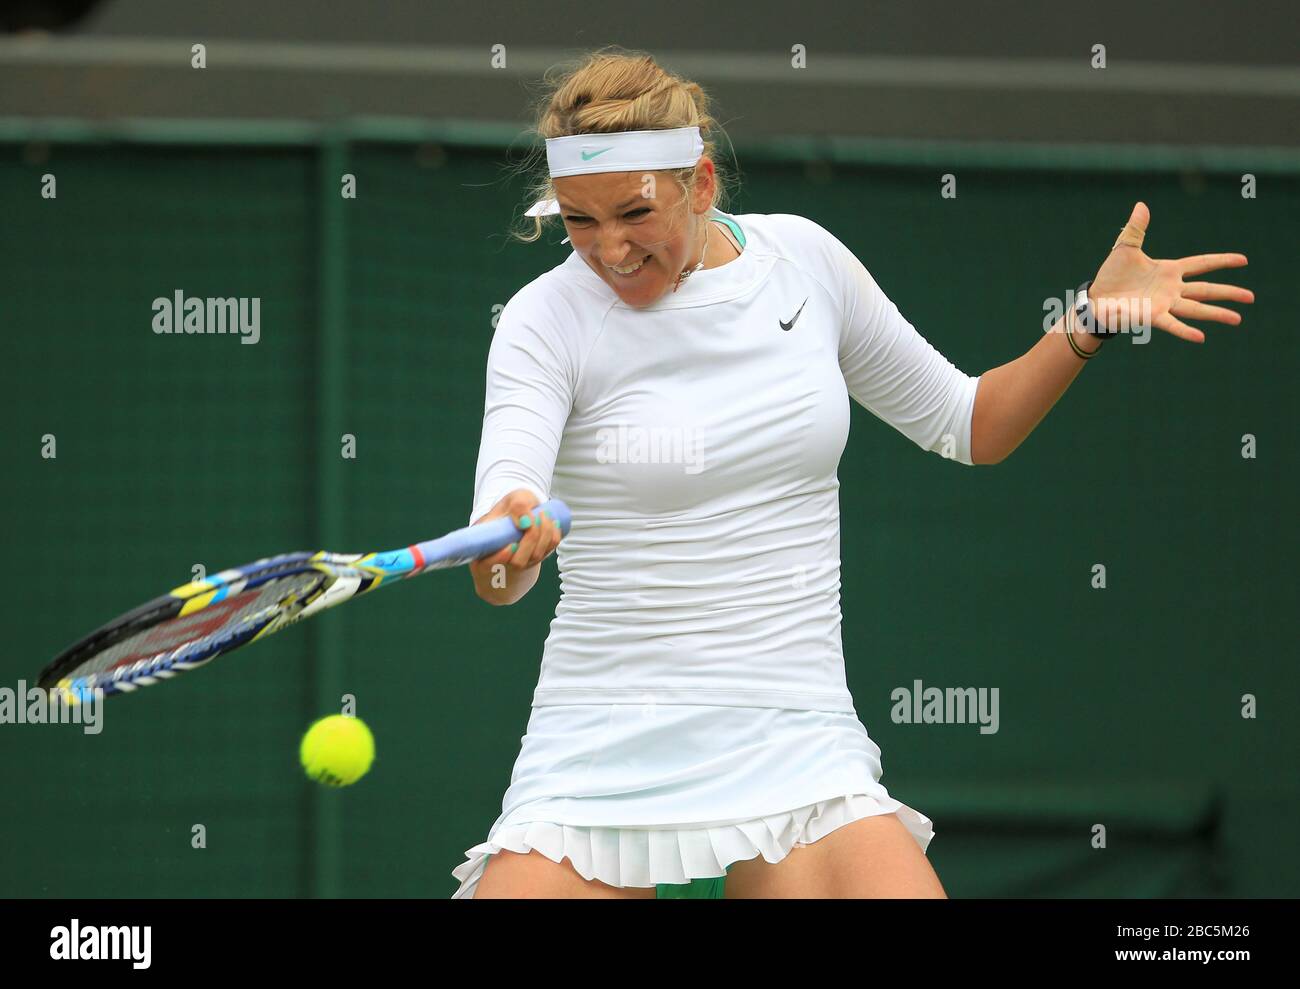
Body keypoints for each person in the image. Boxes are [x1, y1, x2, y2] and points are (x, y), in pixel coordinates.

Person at [452, 48, 1252, 899]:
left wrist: (1090, 317)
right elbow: (502, 564)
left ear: (702, 183)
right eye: (578, 219)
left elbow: (970, 423)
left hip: (797, 740)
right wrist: (511, 543)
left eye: (633, 212)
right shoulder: (543, 319)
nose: (608, 248)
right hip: (599, 744)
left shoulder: (806, 265)